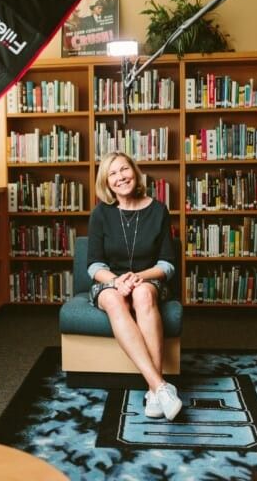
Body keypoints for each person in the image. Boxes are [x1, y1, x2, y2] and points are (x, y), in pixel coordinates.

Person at [88, 151, 182, 420]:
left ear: (135, 171)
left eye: (124, 170)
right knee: (115, 299)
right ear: (106, 183)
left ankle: (154, 392)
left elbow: (167, 264)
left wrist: (137, 277)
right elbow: (94, 266)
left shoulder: (158, 209)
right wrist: (117, 281)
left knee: (142, 294)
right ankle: (159, 386)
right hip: (109, 283)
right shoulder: (100, 214)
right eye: (112, 174)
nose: (120, 177)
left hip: (147, 279)